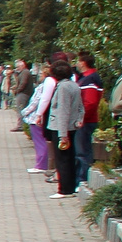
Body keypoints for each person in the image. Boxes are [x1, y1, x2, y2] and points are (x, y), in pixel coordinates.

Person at [44, 58, 83, 198]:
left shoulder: (63, 87)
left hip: (61, 127)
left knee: (62, 159)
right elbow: (80, 107)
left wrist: (62, 134)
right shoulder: (74, 85)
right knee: (69, 158)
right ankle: (70, 186)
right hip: (71, 126)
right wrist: (79, 120)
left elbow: (63, 110)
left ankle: (65, 189)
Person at [22, 63, 55, 179]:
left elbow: (36, 102)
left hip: (36, 117)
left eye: (41, 73)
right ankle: (43, 163)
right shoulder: (53, 84)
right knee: (43, 141)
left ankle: (41, 164)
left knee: (39, 142)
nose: (39, 75)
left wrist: (24, 112)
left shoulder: (43, 86)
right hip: (43, 117)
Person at [75, 50, 104, 182]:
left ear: (83, 63)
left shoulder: (90, 79)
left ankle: (82, 179)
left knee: (82, 152)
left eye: (78, 61)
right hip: (85, 119)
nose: (76, 64)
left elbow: (90, 102)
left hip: (85, 121)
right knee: (82, 150)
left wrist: (82, 118)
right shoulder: (85, 77)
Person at [9, 60, 34, 131]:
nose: (17, 68)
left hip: (23, 93)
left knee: (20, 109)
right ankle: (22, 125)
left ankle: (21, 126)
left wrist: (17, 91)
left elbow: (23, 83)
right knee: (21, 109)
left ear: (22, 66)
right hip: (24, 93)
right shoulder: (24, 72)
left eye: (18, 67)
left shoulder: (25, 72)